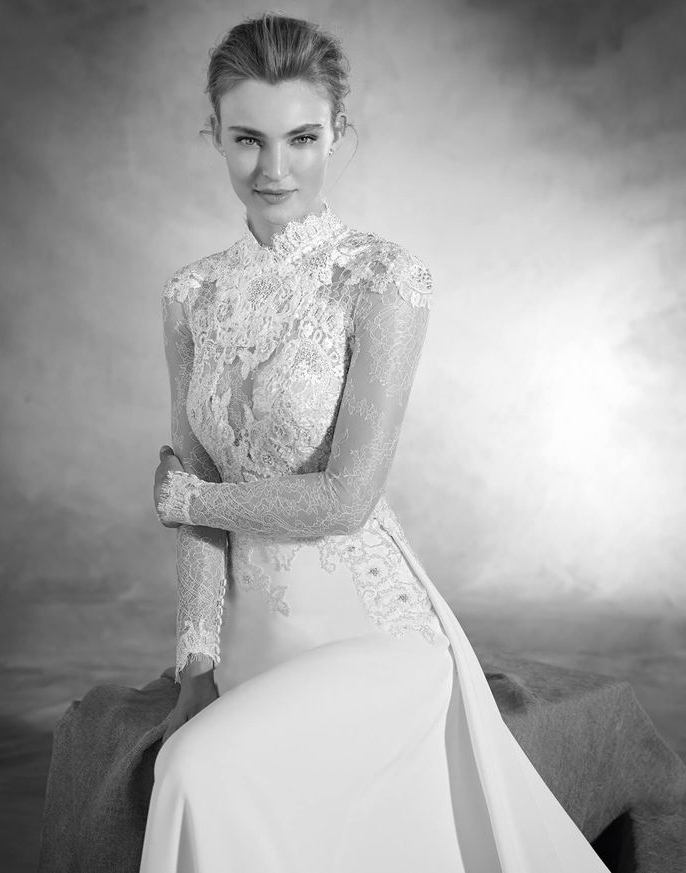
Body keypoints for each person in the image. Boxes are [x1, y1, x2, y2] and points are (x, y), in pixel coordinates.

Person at [141, 13, 610, 873]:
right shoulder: (192, 294)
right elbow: (196, 501)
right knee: (186, 755)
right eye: (247, 139)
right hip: (251, 642)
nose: (273, 169)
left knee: (197, 776)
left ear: (338, 133)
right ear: (212, 134)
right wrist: (194, 669)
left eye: (302, 138)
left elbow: (344, 497)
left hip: (369, 632)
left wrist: (196, 500)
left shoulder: (382, 277)